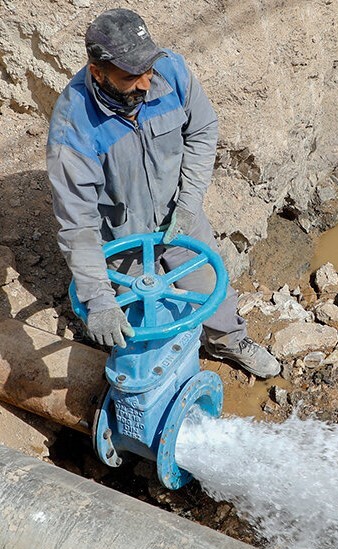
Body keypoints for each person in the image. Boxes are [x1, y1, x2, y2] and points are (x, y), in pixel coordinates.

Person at [46, 8, 280, 379]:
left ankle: (229, 342)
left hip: (178, 217)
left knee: (209, 290)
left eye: (147, 71)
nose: (144, 83)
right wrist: (100, 300)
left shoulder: (171, 72)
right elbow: (78, 224)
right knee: (139, 327)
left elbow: (203, 129)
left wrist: (189, 203)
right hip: (123, 240)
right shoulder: (73, 129)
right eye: (129, 76)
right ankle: (160, 375)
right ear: (97, 72)